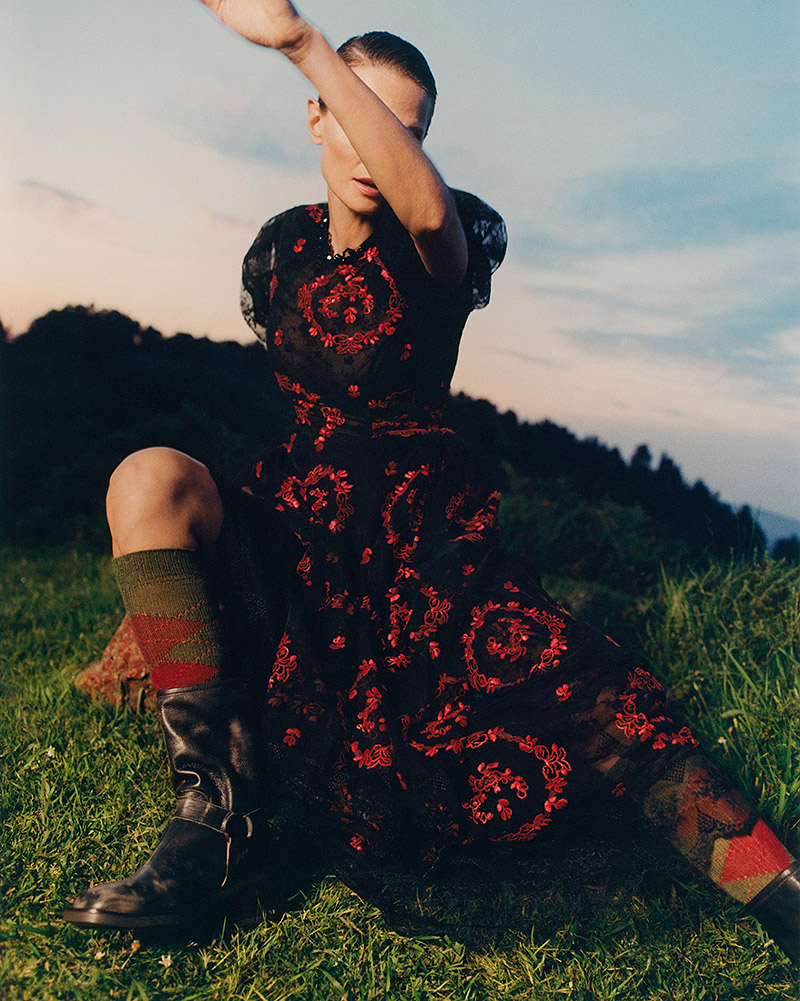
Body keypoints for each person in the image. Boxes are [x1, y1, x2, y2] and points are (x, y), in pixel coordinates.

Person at [62, 0, 799, 964]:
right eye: (354, 110)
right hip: (292, 528)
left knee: (602, 697)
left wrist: (300, 44)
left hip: (423, 552)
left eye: (404, 130)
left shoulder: (444, 236)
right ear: (317, 118)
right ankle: (210, 827)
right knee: (145, 476)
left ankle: (782, 892)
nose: (375, 143)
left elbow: (428, 213)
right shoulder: (280, 246)